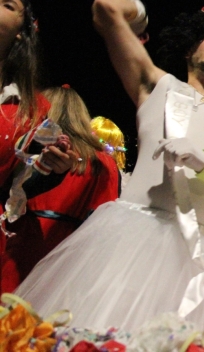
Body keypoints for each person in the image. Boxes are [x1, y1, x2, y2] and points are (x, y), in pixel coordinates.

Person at [16, 0, 204, 342]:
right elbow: (105, 8)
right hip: (136, 240)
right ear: (187, 46)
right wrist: (139, 18)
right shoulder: (156, 86)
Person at [1, 86, 120, 292]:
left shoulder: (28, 152)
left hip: (15, 249)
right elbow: (104, 222)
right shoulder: (104, 163)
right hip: (68, 263)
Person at [0, 0, 76, 290]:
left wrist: (52, 168)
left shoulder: (32, 110)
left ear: (21, 32)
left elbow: (19, 185)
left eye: (7, 5)